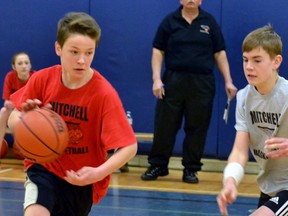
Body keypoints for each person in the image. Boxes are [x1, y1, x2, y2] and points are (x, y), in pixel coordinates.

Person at [6, 12, 137, 215]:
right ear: (58, 48)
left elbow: (129, 146)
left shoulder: (103, 94)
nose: (82, 61)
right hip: (43, 166)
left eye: (89, 53)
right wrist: (24, 119)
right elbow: (14, 118)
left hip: (81, 178)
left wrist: (98, 173)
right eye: (74, 52)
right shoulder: (43, 79)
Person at [141, 0, 237, 183]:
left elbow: (220, 53)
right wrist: (156, 79)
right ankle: (158, 166)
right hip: (173, 80)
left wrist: (228, 81)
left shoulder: (209, 22)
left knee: (197, 127)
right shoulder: (170, 21)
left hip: (202, 82)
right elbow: (157, 51)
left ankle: (190, 169)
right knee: (165, 125)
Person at [217, 25, 288, 216]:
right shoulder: (243, 98)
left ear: (276, 61)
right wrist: (230, 181)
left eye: (257, 60)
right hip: (270, 186)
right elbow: (240, 151)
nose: (249, 67)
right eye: (245, 60)